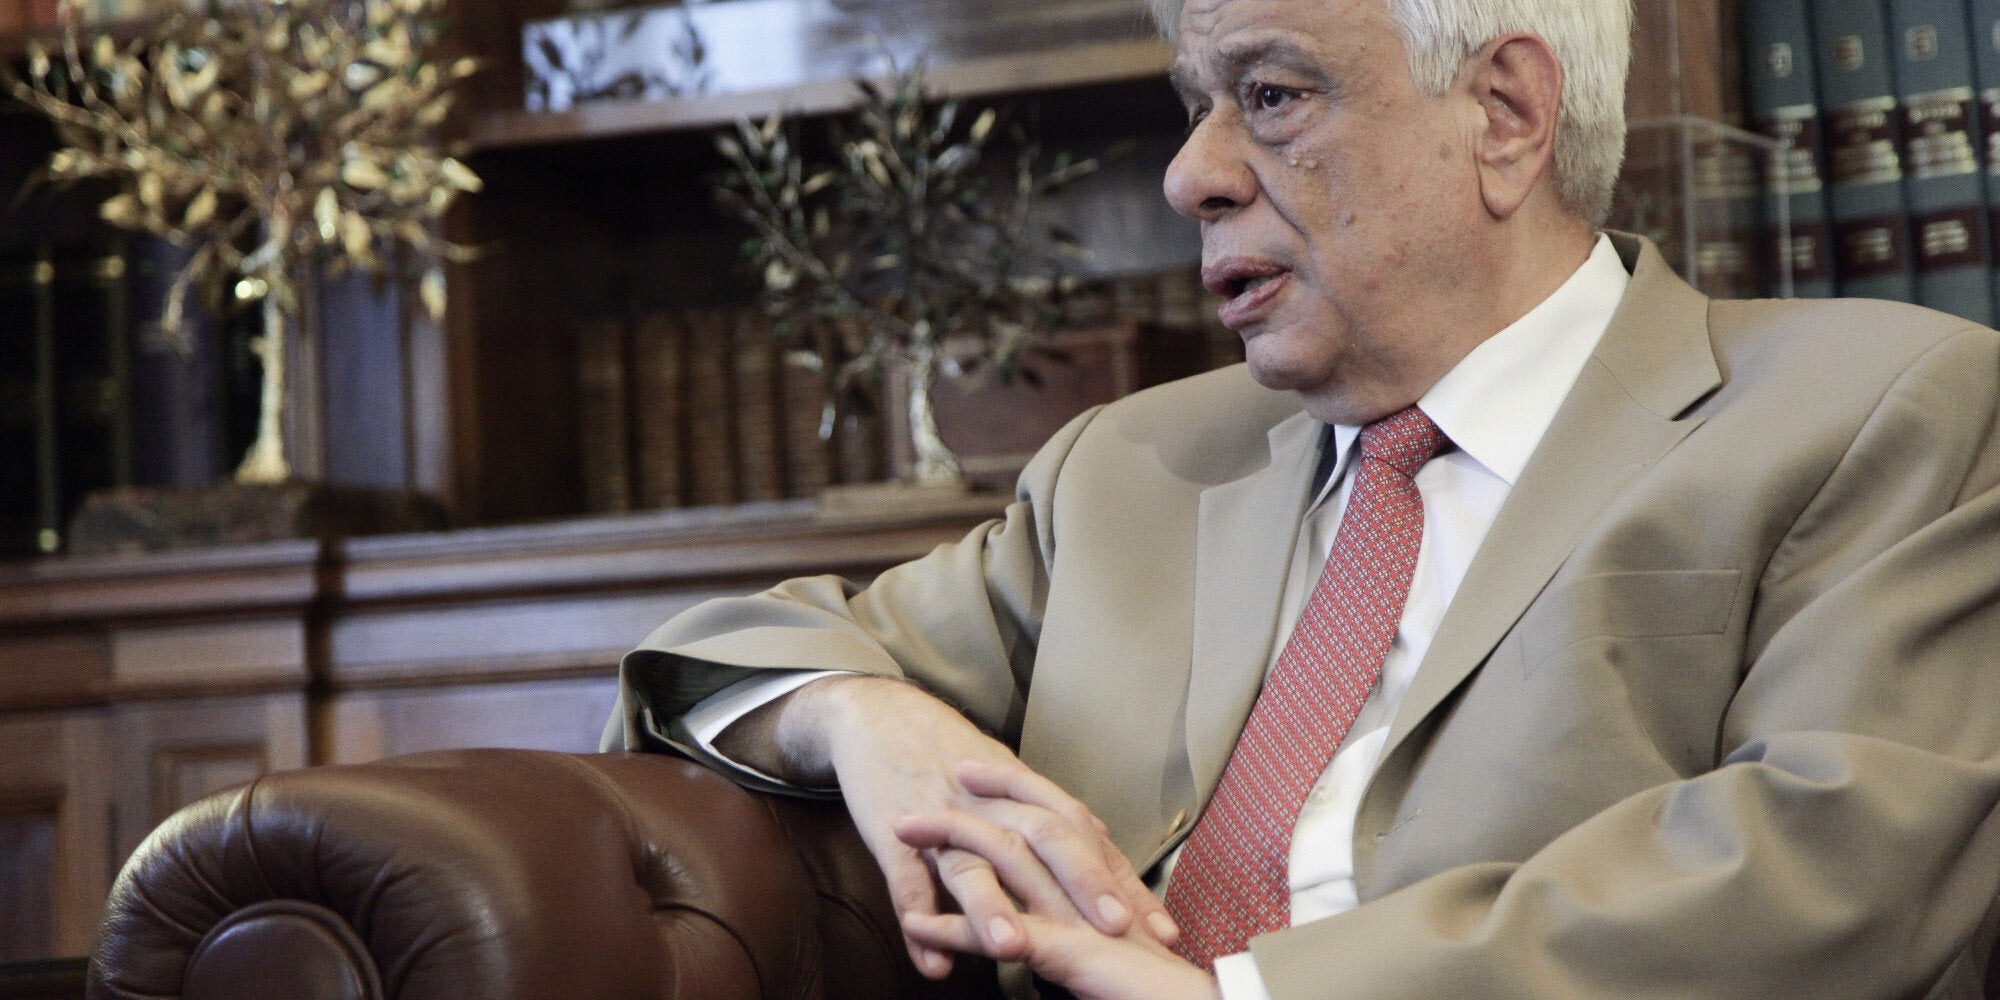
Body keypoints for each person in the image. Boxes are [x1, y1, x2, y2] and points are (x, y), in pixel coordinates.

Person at [604, 0, 2000, 995]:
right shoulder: (1131, 469)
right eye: (1197, 106)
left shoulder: (1876, 408)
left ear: (1506, 114)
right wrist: (866, 717)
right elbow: (719, 656)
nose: (1189, 175)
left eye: (1271, 96)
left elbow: (1843, 862)